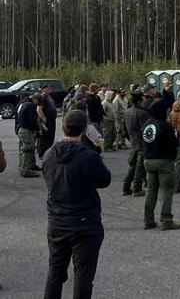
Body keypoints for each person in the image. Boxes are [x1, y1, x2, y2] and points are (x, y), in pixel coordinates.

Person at [42, 110, 111, 299]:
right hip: (84, 221)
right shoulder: (88, 156)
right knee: (83, 275)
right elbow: (104, 180)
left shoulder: (49, 155)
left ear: (63, 128)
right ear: (83, 130)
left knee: (55, 272)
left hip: (57, 220)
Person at [142, 100, 180, 230]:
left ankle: (148, 219)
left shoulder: (147, 125)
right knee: (167, 190)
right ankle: (166, 219)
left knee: (151, 191)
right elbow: (174, 143)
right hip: (164, 161)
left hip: (149, 160)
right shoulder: (165, 126)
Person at [123, 91, 148, 196]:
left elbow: (125, 129)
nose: (144, 102)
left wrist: (130, 139)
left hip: (133, 141)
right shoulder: (142, 113)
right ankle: (137, 188)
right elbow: (145, 130)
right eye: (143, 100)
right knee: (139, 166)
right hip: (140, 142)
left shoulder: (127, 112)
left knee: (132, 165)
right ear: (139, 101)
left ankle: (126, 187)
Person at [17, 93, 42, 178]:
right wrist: (37, 130)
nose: (37, 105)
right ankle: (26, 171)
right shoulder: (30, 105)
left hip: (21, 129)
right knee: (28, 150)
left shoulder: (22, 104)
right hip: (27, 130)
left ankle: (26, 166)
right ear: (35, 99)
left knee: (23, 150)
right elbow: (33, 120)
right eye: (37, 102)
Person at [39, 84, 58, 160]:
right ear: (43, 89)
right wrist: (45, 120)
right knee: (45, 138)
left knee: (51, 138)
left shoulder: (49, 97)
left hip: (52, 120)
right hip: (47, 121)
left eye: (49, 88)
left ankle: (47, 153)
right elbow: (39, 110)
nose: (48, 90)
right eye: (47, 88)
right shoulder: (42, 98)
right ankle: (42, 154)